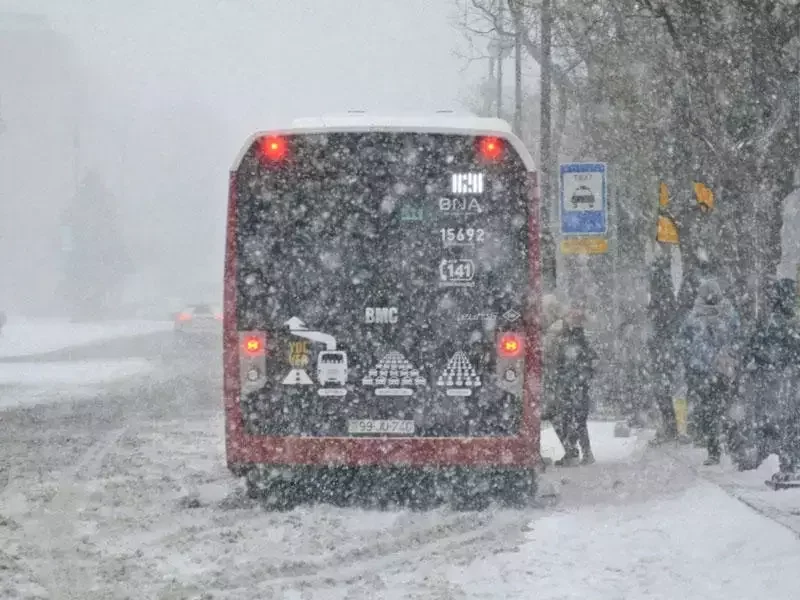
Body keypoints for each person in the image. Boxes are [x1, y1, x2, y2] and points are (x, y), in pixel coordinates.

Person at [678, 278, 741, 465]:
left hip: (719, 372)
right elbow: (682, 343)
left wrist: (728, 356)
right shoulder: (698, 317)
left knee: (722, 411)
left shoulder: (725, 315)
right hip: (705, 372)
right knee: (712, 412)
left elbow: (738, 339)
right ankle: (715, 449)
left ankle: (725, 446)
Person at [552, 306, 598, 466]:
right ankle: (581, 452)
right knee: (577, 420)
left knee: (569, 419)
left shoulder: (570, 340)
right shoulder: (581, 340)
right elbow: (591, 363)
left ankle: (574, 452)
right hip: (577, 385)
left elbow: (562, 363)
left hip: (571, 385)